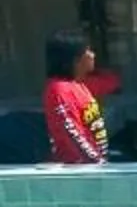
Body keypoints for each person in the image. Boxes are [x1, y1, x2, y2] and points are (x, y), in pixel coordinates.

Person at [43, 33, 107, 166]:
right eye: (88, 51)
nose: (93, 55)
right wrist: (96, 162)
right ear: (76, 59)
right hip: (78, 168)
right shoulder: (60, 90)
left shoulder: (79, 85)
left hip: (93, 164)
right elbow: (73, 133)